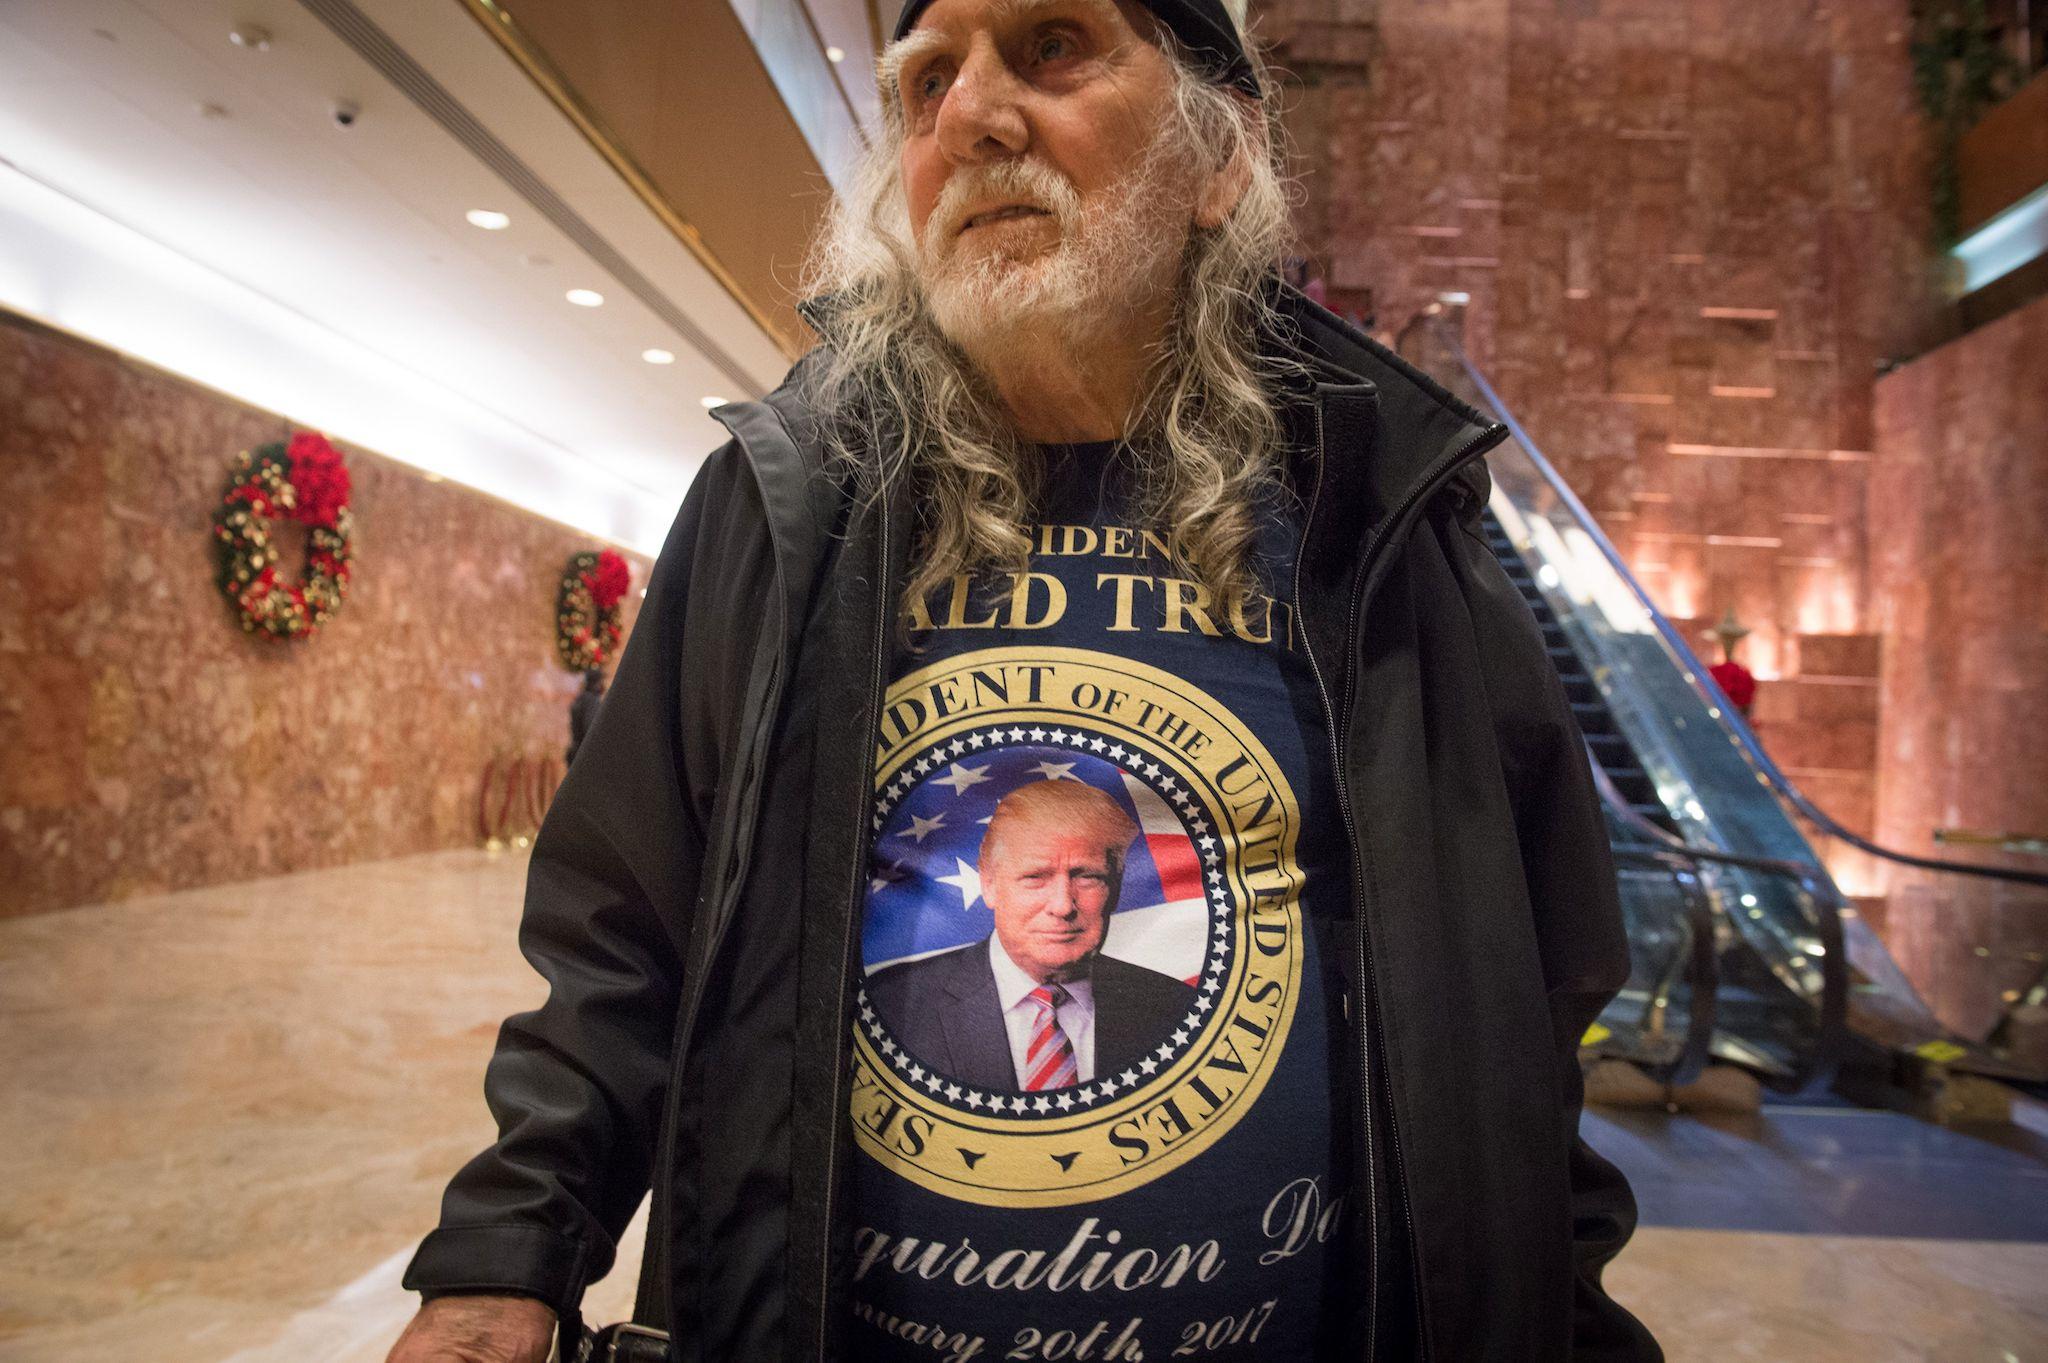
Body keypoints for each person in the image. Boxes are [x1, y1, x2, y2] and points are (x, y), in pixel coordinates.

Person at [389, 0, 1662, 1358]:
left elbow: (1523, 997)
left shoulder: (1386, 517)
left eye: (1052, 48)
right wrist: (505, 1259)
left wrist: (1559, 1310)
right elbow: (620, 933)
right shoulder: (787, 506)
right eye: (928, 79)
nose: (973, 117)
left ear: (1220, 155)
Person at [863, 779, 1198, 1091]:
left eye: (1088, 877)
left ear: (1116, 885)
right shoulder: (895, 1004)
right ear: (989, 884)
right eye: (1036, 877)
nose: (1063, 905)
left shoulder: (1175, 1009)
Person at [564, 667, 606, 767]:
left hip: (576, 752)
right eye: (601, 681)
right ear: (596, 683)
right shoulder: (591, 701)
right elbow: (591, 728)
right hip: (585, 756)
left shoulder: (580, 699)